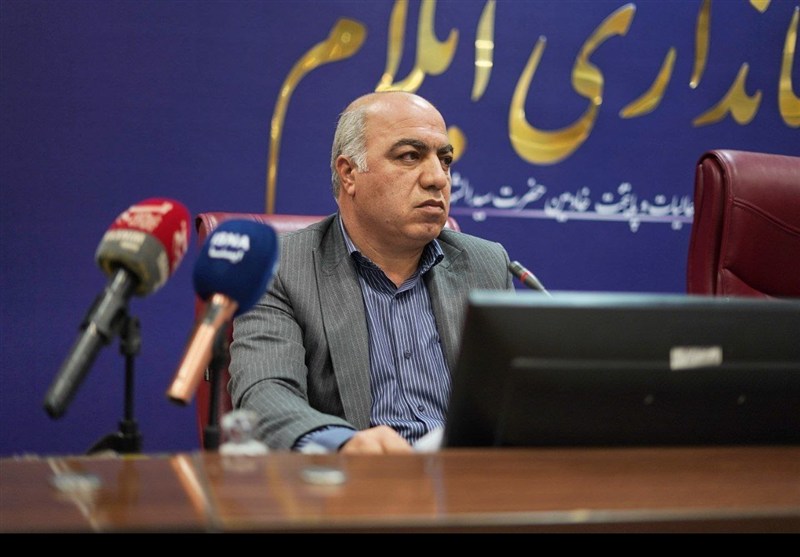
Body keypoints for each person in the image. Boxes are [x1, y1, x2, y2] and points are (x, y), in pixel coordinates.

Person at [228, 91, 514, 454]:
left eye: (445, 160)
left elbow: (511, 400)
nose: (437, 179)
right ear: (349, 173)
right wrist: (343, 444)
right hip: (354, 478)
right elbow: (265, 394)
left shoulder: (486, 264)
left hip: (467, 477)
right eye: (410, 156)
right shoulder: (279, 268)